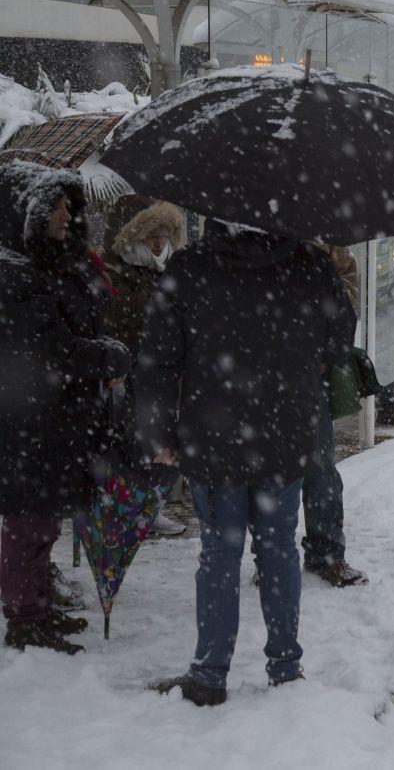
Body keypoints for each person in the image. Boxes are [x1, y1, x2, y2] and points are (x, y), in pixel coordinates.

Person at [139, 219, 355, 706]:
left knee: (219, 555)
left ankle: (210, 674)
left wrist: (157, 431)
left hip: (213, 437)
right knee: (279, 549)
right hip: (284, 433)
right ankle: (285, 667)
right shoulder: (309, 264)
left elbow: (157, 356)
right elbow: (339, 345)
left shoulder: (190, 266)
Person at [0, 161, 131, 655]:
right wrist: (108, 356)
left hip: (58, 418)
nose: (62, 216)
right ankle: (24, 618)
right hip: (28, 419)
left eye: (65, 207)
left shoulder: (56, 262)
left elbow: (81, 327)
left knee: (45, 519)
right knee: (27, 522)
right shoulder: (14, 275)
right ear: (24, 213)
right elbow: (51, 349)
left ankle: (37, 603)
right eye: (52, 208)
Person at [103, 200, 188, 536]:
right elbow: (114, 319)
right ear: (134, 234)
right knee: (131, 446)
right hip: (128, 375)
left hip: (163, 375)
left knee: (165, 447)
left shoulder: (171, 273)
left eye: (165, 234)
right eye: (152, 233)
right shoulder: (115, 270)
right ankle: (132, 510)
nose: (158, 241)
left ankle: (150, 507)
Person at [302, 242, 368, 587]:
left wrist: (328, 352)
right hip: (269, 370)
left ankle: (326, 553)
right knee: (271, 472)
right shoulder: (262, 231)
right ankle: (271, 555)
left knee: (321, 467)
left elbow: (347, 297)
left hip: (312, 371)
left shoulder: (327, 240)